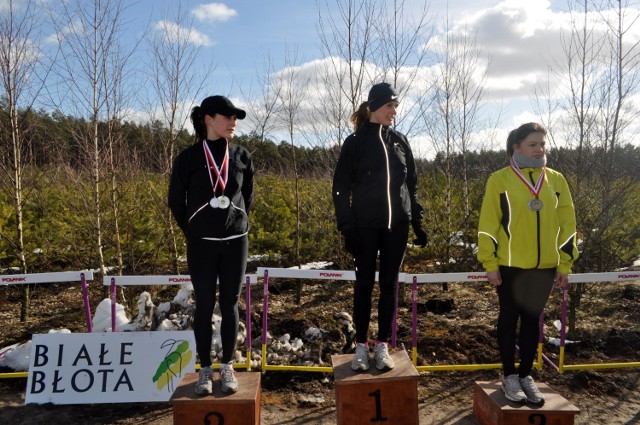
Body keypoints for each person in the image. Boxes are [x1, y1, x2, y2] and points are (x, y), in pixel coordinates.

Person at [477, 122, 578, 405]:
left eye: (543, 144)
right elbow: (488, 225)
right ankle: (509, 375)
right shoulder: (500, 179)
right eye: (533, 144)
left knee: (533, 320)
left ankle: (526, 375)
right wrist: (489, 262)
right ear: (516, 147)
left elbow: (568, 225)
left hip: (544, 265)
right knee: (509, 318)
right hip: (509, 265)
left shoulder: (556, 180)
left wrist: (564, 264)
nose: (539, 149)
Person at [332, 82, 428, 372]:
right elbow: (339, 187)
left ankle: (383, 344)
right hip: (364, 226)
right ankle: (361, 345)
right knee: (363, 286)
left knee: (389, 286)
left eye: (396, 107)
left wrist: (417, 221)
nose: (394, 112)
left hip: (396, 226)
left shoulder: (399, 140)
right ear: (373, 107)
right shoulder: (355, 142)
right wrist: (347, 226)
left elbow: (411, 185)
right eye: (389, 106)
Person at [168, 95, 254, 395]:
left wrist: (237, 222)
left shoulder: (242, 154)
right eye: (227, 116)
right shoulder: (189, 158)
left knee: (230, 303)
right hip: (202, 244)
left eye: (236, 117)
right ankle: (205, 368)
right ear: (208, 119)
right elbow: (175, 201)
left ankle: (227, 365)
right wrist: (193, 231)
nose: (233, 122)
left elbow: (248, 196)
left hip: (235, 242)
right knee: (204, 305)